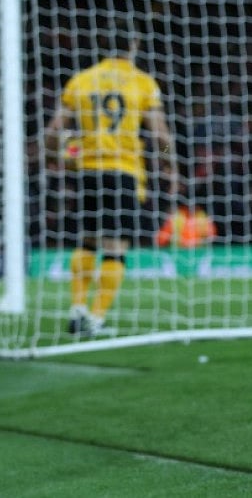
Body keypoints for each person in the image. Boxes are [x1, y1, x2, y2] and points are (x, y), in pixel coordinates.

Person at [42, 21, 177, 337]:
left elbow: (53, 131)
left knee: (87, 239)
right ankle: (97, 318)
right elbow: (160, 135)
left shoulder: (81, 81)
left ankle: (77, 308)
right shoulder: (142, 82)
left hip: (87, 170)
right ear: (134, 42)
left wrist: (55, 156)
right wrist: (169, 161)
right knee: (115, 246)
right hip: (123, 171)